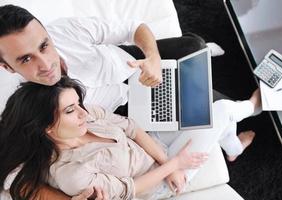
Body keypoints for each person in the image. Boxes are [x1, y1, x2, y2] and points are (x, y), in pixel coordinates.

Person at [0, 76, 259, 199]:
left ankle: (232, 146)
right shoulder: (71, 173)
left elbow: (131, 128)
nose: (82, 112)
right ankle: (255, 104)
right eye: (70, 110)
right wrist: (173, 165)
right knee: (222, 110)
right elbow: (130, 190)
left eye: (78, 103)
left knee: (198, 108)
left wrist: (164, 155)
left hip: (155, 146)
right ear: (45, 126)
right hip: (156, 181)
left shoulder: (86, 115)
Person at [0, 4, 210, 113]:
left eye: (44, 46)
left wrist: (153, 58)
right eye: (26, 59)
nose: (46, 65)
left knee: (196, 47)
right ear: (6, 67)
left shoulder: (65, 29)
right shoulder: (19, 105)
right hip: (123, 111)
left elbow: (134, 27)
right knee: (204, 109)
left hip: (128, 62)